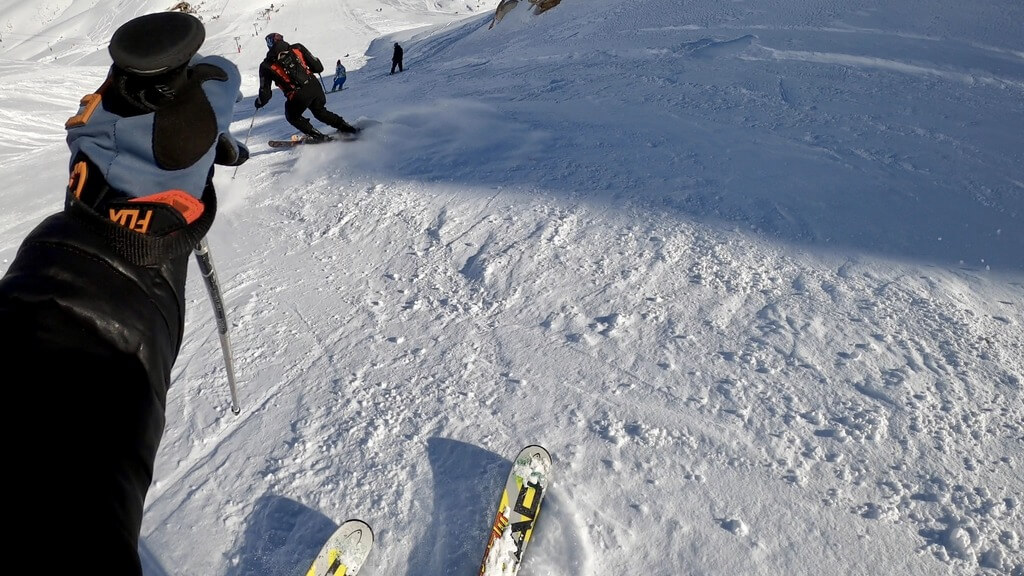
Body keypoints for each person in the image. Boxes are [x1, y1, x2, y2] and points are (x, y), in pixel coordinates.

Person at [0, 11, 247, 574]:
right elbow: (220, 77)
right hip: (134, 314)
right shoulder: (198, 111)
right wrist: (216, 146)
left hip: (47, 257)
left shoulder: (99, 105)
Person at [255, 33, 359, 142]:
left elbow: (265, 93)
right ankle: (347, 128)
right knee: (320, 111)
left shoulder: (266, 65)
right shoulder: (297, 48)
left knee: (292, 116)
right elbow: (318, 67)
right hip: (314, 85)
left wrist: (259, 102)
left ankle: (318, 137)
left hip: (298, 94)